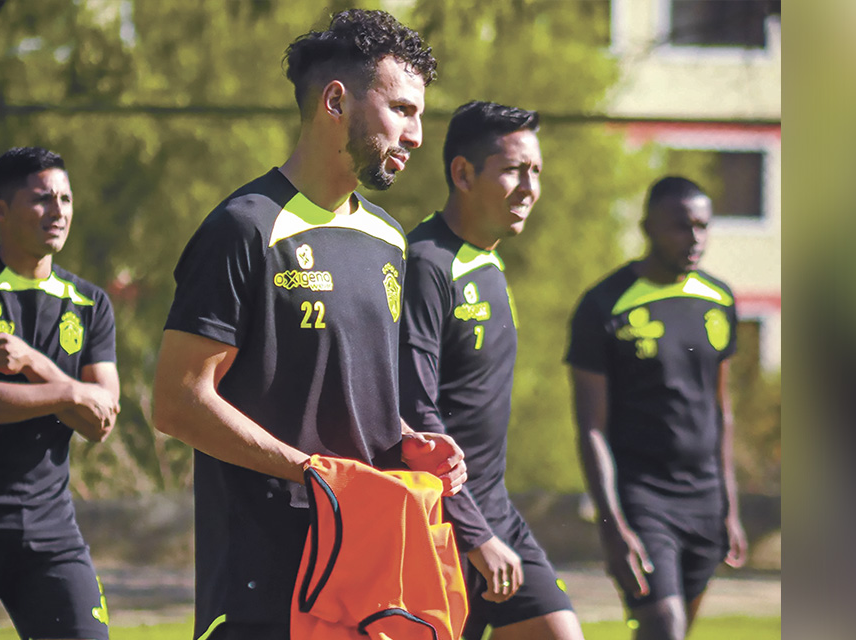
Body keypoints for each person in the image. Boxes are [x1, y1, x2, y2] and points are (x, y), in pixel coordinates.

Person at [150, 10, 466, 640]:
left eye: (421, 115)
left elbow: (344, 391)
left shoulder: (388, 239)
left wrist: (405, 439)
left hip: (370, 575)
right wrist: (311, 473)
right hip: (265, 582)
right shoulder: (244, 228)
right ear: (334, 100)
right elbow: (177, 402)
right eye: (402, 110)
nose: (418, 135)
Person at [399, 101, 584, 640]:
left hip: (494, 508)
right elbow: (414, 410)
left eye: (536, 172)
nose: (529, 187)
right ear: (462, 173)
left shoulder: (490, 261)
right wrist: (474, 535)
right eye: (512, 170)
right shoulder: (426, 264)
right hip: (441, 517)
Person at [566, 176, 748, 640]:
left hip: (705, 498)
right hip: (644, 497)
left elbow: (720, 409)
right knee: (663, 626)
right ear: (647, 226)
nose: (695, 239)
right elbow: (591, 428)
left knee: (676, 632)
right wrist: (612, 524)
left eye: (703, 226)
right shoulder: (603, 304)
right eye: (680, 226)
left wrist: (729, 506)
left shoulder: (719, 299)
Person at [0, 147, 120, 640]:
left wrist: (34, 364)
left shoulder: (90, 303)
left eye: (65, 198)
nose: (58, 212)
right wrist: (70, 395)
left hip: (49, 529)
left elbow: (102, 422)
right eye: (42, 200)